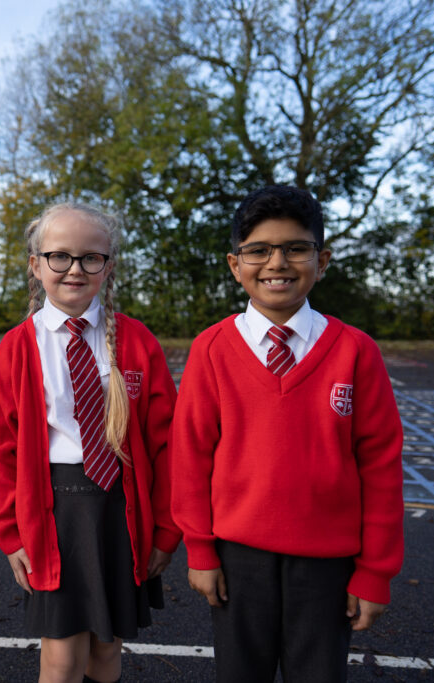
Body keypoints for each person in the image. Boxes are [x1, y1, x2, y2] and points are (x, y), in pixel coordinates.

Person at [170, 185, 405, 682]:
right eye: (259, 250)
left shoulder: (356, 351)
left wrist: (375, 571)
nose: (277, 262)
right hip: (237, 560)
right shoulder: (211, 349)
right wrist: (200, 549)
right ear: (235, 265)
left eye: (296, 248)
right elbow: (190, 456)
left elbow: (380, 465)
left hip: (329, 563)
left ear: (322, 261)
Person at [0, 203, 181, 683]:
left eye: (91, 257)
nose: (75, 269)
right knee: (62, 656)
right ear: (36, 264)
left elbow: (166, 445)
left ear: (108, 266)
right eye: (60, 256)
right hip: (55, 515)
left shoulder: (135, 341)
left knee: (106, 651)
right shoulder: (19, 346)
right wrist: (9, 533)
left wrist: (167, 530)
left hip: (120, 511)